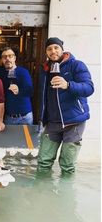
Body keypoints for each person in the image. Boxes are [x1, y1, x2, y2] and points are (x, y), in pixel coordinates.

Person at [37, 37, 94, 175]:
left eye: (56, 48)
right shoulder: (44, 70)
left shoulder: (76, 65)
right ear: (46, 52)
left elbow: (89, 88)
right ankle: (42, 194)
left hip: (74, 122)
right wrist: (43, 118)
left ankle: (66, 195)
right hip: (52, 123)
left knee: (67, 166)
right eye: (49, 49)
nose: (53, 51)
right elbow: (43, 97)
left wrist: (68, 85)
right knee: (43, 162)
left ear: (62, 49)